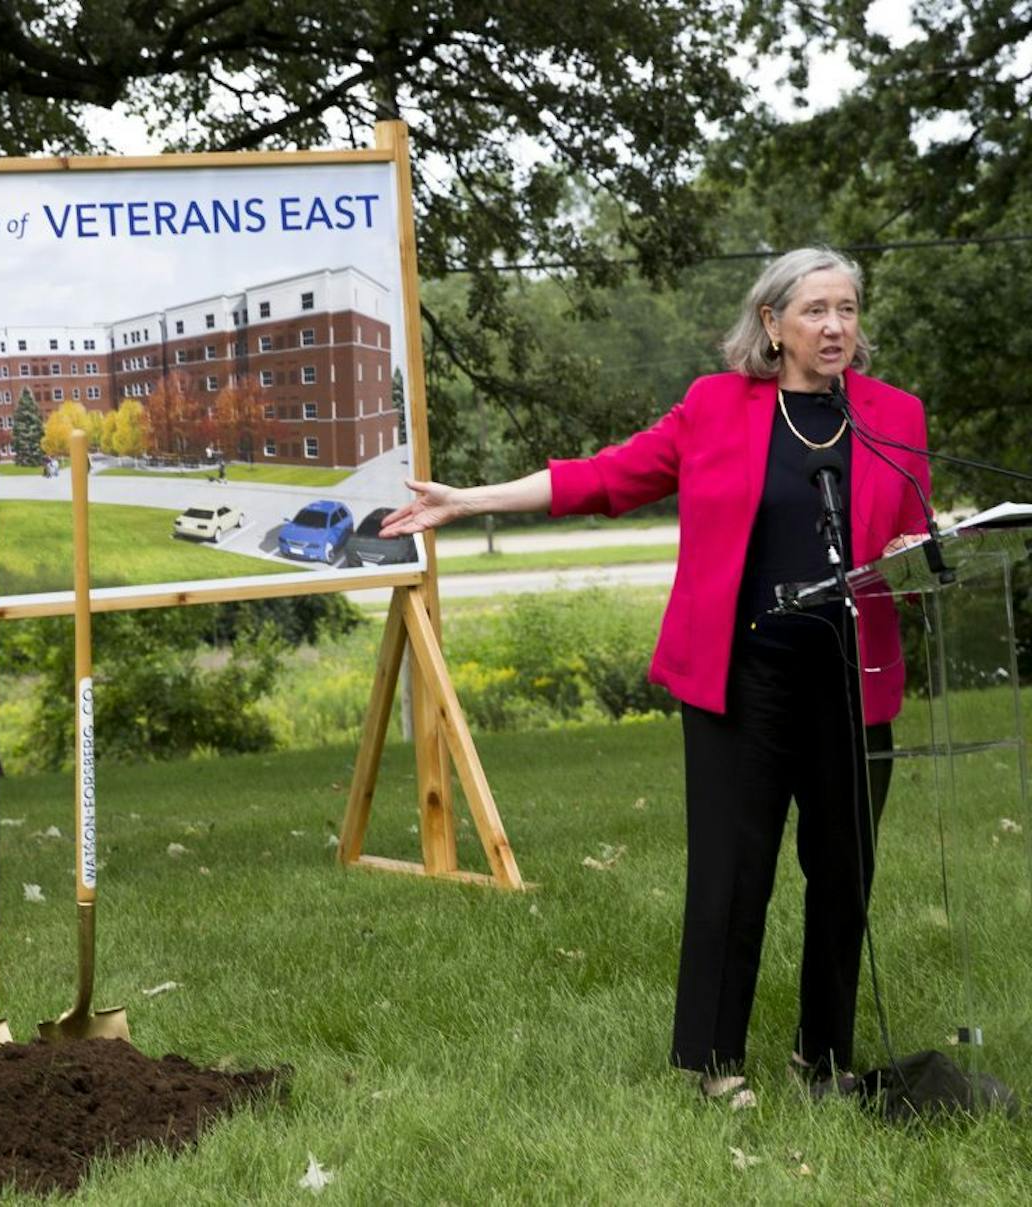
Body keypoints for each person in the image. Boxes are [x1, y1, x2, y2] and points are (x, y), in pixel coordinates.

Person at [382, 247, 931, 1107]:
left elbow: (910, 525)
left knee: (845, 871)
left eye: (849, 310)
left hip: (853, 677)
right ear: (772, 323)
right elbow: (607, 476)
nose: (836, 327)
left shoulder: (894, 415)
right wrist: (472, 499)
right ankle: (717, 1060)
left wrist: (914, 552)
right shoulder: (718, 408)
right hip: (741, 676)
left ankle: (823, 1056)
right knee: (732, 868)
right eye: (817, 310)